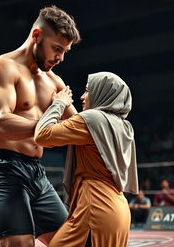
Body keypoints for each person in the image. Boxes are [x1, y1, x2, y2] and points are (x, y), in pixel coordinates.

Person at [0, 5, 81, 247]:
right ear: (37, 36)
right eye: (57, 48)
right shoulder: (2, 67)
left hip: (37, 172)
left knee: (73, 243)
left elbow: (78, 127)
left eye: (65, 51)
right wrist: (51, 123)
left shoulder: (54, 81)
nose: (60, 58)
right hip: (4, 170)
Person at [34, 72, 139, 247]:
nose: (83, 96)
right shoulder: (124, 126)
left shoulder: (93, 119)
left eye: (88, 91)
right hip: (118, 209)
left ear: (102, 92)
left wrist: (59, 103)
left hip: (95, 207)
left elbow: (42, 135)